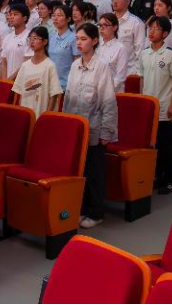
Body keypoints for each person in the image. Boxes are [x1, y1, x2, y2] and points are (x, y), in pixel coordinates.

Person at [63, 23, 117, 229]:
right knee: (80, 171)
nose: (79, 43)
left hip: (94, 127)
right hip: (76, 128)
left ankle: (96, 212)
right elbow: (68, 98)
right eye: (77, 39)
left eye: (84, 39)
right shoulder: (74, 65)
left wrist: (106, 131)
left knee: (95, 172)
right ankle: (83, 208)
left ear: (94, 41)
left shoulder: (101, 66)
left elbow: (108, 101)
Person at [139, 16, 172, 195]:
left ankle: (170, 180)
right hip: (149, 107)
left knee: (166, 145)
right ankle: (157, 177)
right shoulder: (144, 53)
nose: (152, 31)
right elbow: (142, 78)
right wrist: (142, 101)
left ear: (165, 33)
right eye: (150, 28)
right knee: (153, 145)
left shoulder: (170, 54)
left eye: (156, 29)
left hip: (165, 106)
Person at [13, 26, 63, 116]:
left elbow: (54, 94)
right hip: (26, 113)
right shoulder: (25, 65)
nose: (32, 41)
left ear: (45, 42)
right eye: (30, 38)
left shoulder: (50, 66)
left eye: (35, 38)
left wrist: (46, 117)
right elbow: (19, 92)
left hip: (41, 114)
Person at [48, 3, 79, 91]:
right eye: (54, 15)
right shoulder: (51, 36)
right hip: (50, 83)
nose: (55, 18)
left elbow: (77, 62)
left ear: (68, 19)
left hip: (65, 85)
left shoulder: (74, 38)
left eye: (59, 15)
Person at [97, 13, 129, 93]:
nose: (101, 28)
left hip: (113, 93)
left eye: (105, 25)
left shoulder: (120, 48)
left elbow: (120, 78)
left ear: (115, 27)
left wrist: (103, 91)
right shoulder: (96, 46)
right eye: (100, 25)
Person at [0, 3, 32, 81]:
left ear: (24, 18)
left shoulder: (30, 37)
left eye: (15, 14)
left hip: (23, 82)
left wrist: (10, 79)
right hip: (8, 83)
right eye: (10, 14)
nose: (11, 17)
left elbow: (27, 63)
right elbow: (3, 62)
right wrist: (5, 81)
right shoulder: (8, 37)